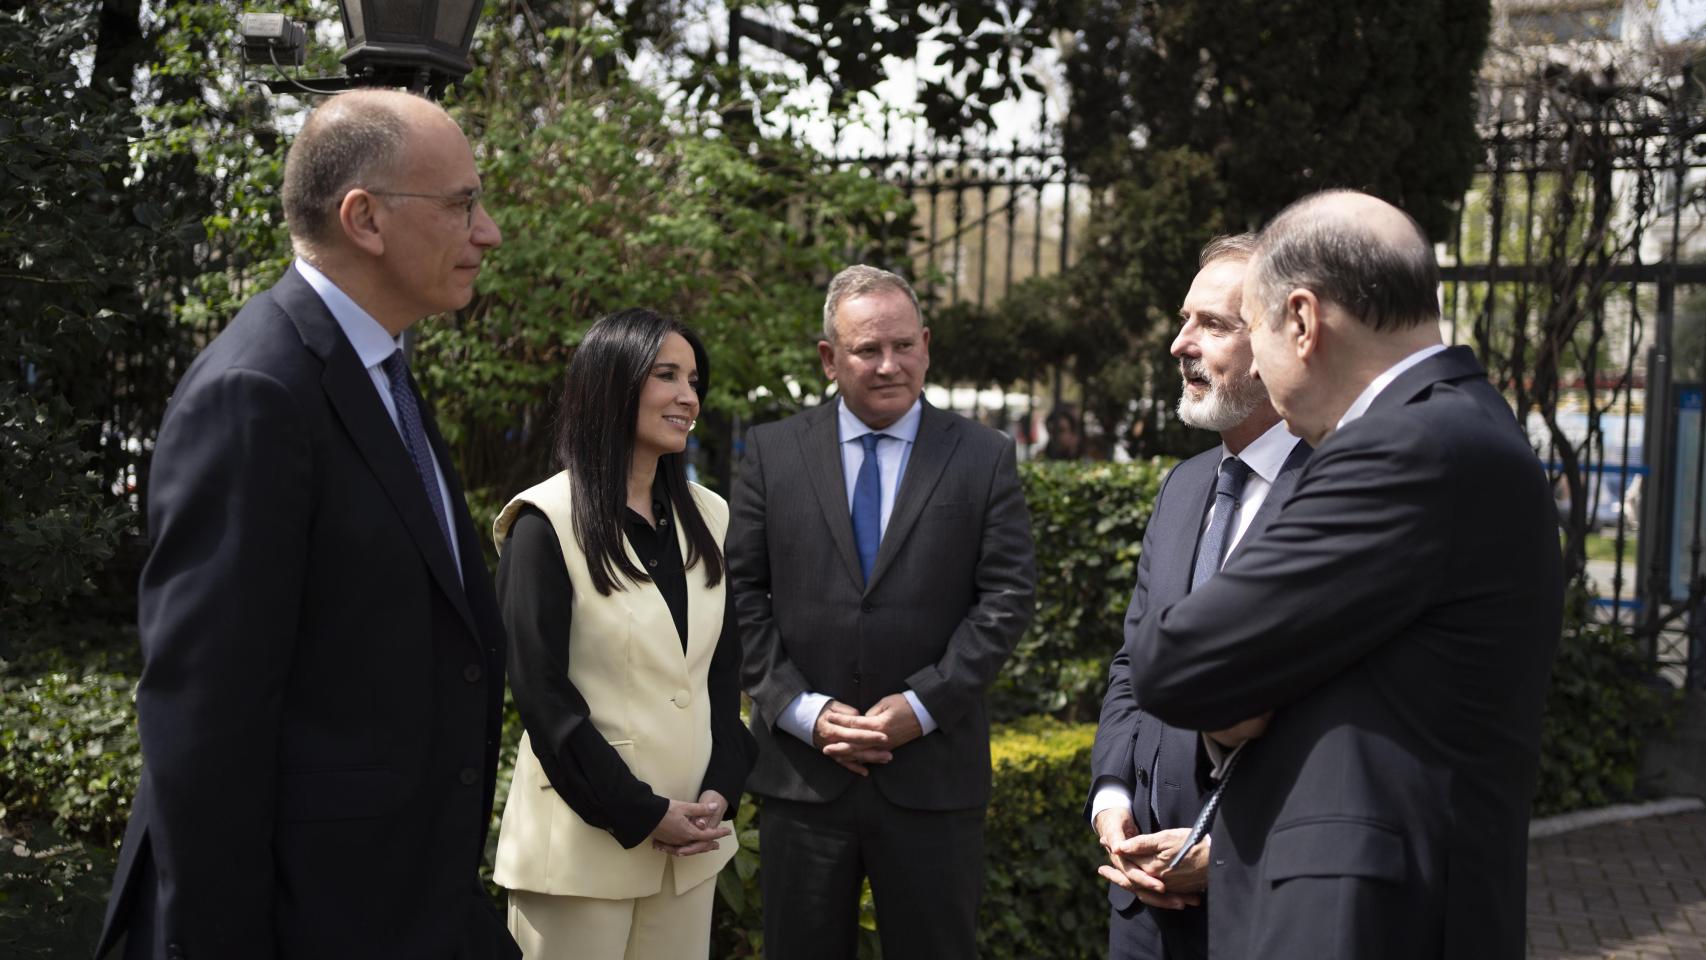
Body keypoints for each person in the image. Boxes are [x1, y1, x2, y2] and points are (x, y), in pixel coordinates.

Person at [96, 89, 514, 959]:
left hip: (401, 909)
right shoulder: (256, 394)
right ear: (364, 219)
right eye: (463, 203)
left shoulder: (377, 372)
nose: (489, 231)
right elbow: (206, 726)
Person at [1124, 190, 1563, 958]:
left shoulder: (1404, 447)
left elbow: (1176, 663)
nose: (1255, 360)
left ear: (1302, 320)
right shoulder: (1465, 425)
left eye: (1251, 330)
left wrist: (1244, 693)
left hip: (1355, 921)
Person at [729, 265, 1036, 960]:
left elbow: (1008, 596)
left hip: (934, 777)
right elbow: (740, 593)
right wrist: (799, 709)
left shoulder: (983, 457)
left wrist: (923, 705)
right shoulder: (773, 454)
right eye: (868, 350)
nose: (889, 364)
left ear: (926, 344)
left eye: (903, 345)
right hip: (804, 779)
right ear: (829, 358)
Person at [489, 309, 755, 960]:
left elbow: (721, 678)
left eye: (694, 379)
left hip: (690, 850)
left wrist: (721, 790)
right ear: (613, 383)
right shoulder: (543, 521)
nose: (689, 396)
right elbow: (543, 698)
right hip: (579, 854)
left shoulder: (712, 518)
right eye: (667, 375)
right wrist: (640, 812)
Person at [1087, 234, 1309, 960]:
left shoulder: (1339, 493)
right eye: (1185, 320)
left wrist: (1237, 852)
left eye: (1214, 325)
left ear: (1283, 338)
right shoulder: (1184, 488)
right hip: (1141, 901)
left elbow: (1341, 718)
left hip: (1262, 907)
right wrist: (1112, 799)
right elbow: (1134, 663)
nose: (1181, 344)